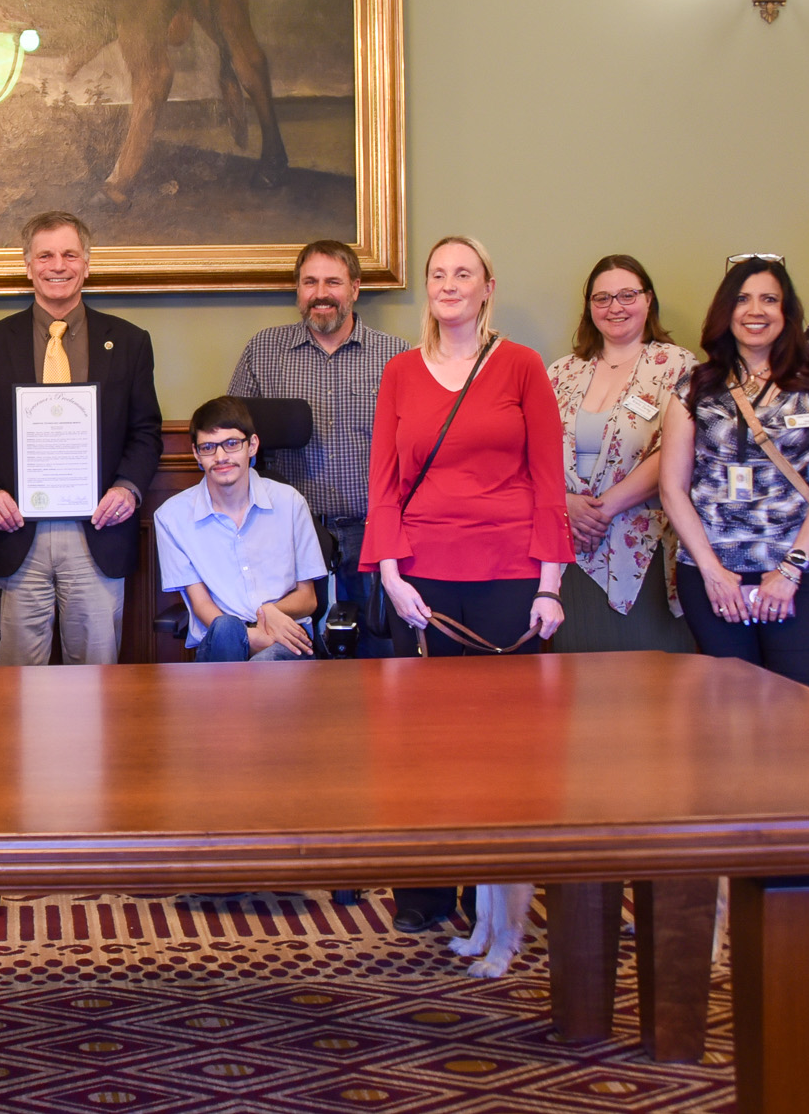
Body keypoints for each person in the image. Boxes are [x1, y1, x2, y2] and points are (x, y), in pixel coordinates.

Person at [361, 235, 569, 934]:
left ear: (487, 288)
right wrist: (390, 574)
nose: (449, 284)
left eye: (464, 274)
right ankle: (424, 896)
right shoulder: (399, 373)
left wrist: (550, 587)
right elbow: (383, 482)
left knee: (506, 747)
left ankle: (498, 897)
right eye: (438, 274)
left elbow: (548, 479)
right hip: (420, 577)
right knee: (418, 746)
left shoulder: (521, 367)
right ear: (428, 288)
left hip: (510, 575)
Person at [0, 212, 164, 666]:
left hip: (98, 531)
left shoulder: (129, 342)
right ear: (28, 265)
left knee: (96, 678)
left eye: (69, 254)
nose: (57, 265)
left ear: (87, 264)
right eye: (45, 255)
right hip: (15, 532)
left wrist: (128, 488)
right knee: (15, 684)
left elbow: (146, 431)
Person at [660, 256, 809, 692]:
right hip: (713, 575)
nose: (755, 310)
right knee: (728, 714)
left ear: (786, 313)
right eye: (743, 299)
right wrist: (712, 572)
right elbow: (672, 489)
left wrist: (789, 571)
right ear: (726, 311)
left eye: (770, 300)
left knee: (806, 707)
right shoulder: (694, 386)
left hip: (800, 573)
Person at [229, 239, 409, 654]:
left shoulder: (394, 355)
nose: (321, 293)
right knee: (296, 660)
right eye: (309, 282)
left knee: (378, 656)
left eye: (333, 281)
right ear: (297, 290)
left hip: (373, 532)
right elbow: (231, 441)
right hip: (290, 535)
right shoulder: (264, 351)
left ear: (355, 289)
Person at [545, 255, 697, 653]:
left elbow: (679, 451)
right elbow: (534, 452)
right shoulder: (561, 372)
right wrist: (565, 504)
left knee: (648, 685)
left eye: (627, 295)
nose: (615, 307)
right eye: (602, 298)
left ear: (648, 300)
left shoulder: (677, 366)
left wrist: (605, 507)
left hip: (643, 544)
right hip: (569, 545)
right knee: (576, 682)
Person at [154, 396, 326, 662]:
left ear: (252, 445)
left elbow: (308, 599)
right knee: (227, 628)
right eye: (209, 447)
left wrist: (268, 614)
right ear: (197, 454)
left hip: (284, 633)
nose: (221, 457)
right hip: (221, 639)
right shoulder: (172, 517)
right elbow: (201, 606)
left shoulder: (290, 503)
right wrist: (248, 636)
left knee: (263, 666)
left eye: (232, 444)